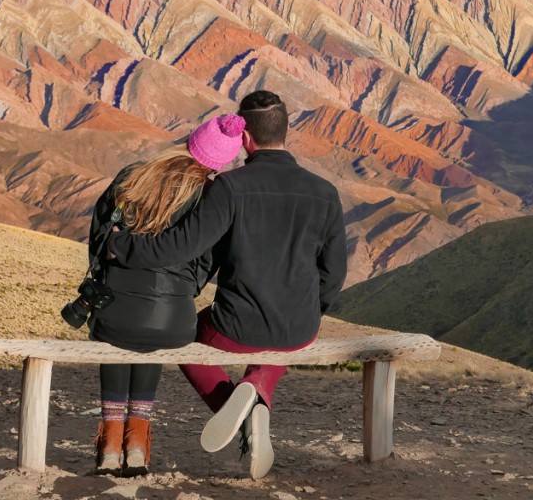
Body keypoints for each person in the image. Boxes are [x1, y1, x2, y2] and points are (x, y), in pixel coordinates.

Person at [108, 89, 348, 479]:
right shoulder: (325, 193)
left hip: (236, 328)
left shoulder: (230, 187)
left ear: (245, 139)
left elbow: (177, 246)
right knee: (282, 341)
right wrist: (312, 309)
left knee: (185, 341)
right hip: (299, 328)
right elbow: (333, 273)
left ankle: (233, 409)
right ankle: (257, 394)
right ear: (286, 131)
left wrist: (119, 245)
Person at [87, 113, 245, 477]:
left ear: (192, 141)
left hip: (113, 311)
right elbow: (209, 260)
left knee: (121, 325)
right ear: (220, 163)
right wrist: (182, 291)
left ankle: (110, 445)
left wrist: (107, 280)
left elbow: (98, 241)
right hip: (175, 320)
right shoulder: (211, 196)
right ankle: (138, 444)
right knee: (151, 328)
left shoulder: (131, 177)